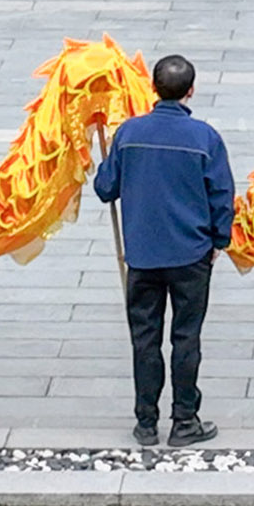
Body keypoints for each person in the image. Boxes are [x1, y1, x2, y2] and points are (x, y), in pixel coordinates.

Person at [97, 54, 237, 446]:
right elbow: (222, 195)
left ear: (153, 88)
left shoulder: (128, 134)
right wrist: (219, 241)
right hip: (191, 254)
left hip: (142, 255)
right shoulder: (205, 138)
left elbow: (106, 188)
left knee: (144, 338)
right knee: (185, 337)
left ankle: (145, 422)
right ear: (191, 90)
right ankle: (185, 420)